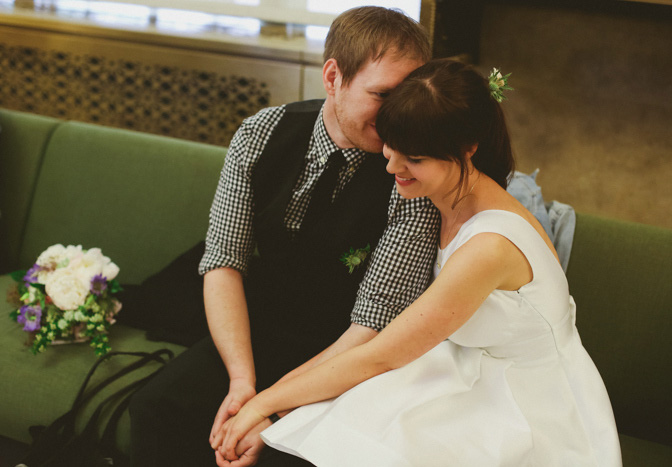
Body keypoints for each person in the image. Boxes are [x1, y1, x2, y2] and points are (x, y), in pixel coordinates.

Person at [210, 59, 623, 466]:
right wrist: (267, 404)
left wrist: (263, 405)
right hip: (464, 368)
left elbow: (381, 354)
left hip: (527, 401)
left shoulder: (490, 246)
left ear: (468, 149)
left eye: (415, 158)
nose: (391, 166)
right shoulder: (440, 198)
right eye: (391, 146)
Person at [128, 7, 439, 467]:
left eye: (408, 97)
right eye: (382, 95)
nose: (399, 115)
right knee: (157, 408)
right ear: (333, 77)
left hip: (350, 354)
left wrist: (274, 408)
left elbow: (374, 323)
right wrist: (242, 384)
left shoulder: (412, 171)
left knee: (281, 454)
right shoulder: (261, 133)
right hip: (259, 327)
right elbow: (223, 262)